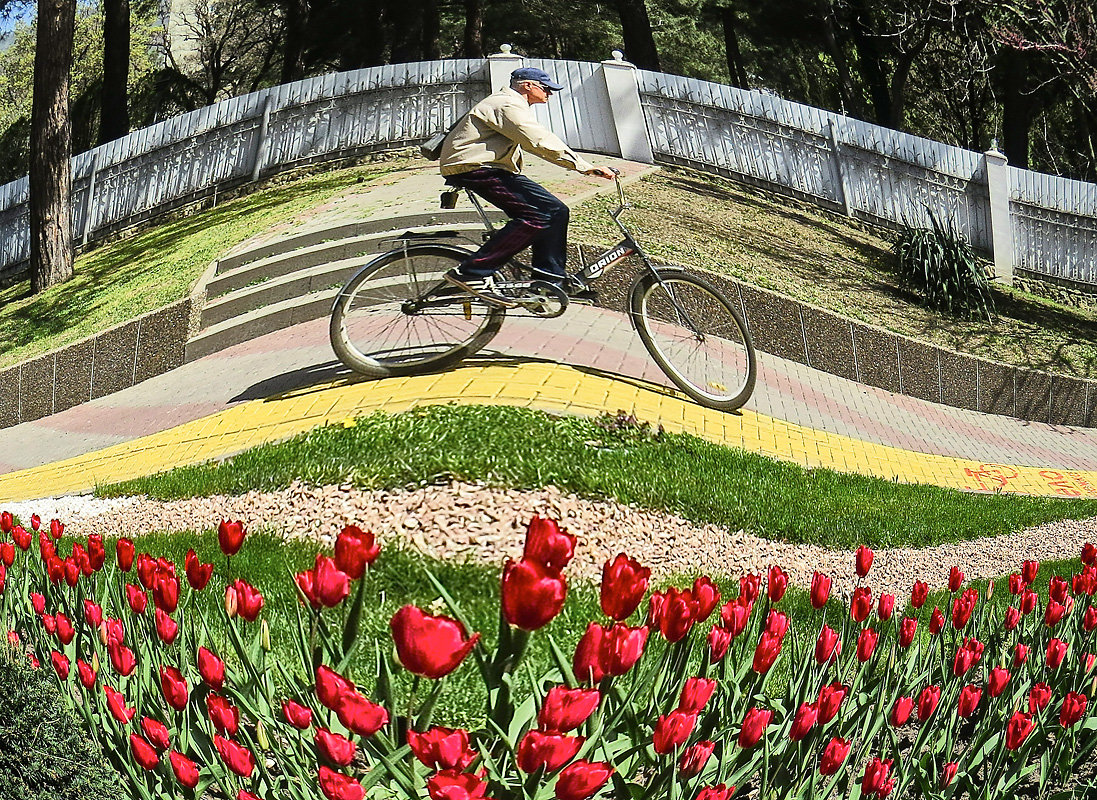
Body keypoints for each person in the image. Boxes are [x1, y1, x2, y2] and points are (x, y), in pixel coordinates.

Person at [438, 66, 616, 307]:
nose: (550, 93)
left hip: (486, 168)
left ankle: (548, 282)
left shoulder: (511, 104)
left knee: (557, 211)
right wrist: (583, 166)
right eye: (546, 88)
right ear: (527, 85)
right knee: (539, 215)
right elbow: (537, 140)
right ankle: (472, 272)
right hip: (473, 167)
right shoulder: (506, 104)